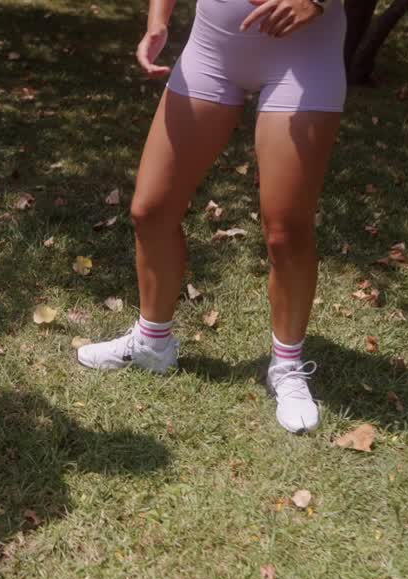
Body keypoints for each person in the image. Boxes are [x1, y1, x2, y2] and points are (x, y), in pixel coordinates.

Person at [77, 0, 345, 434]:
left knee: (285, 230)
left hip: (304, 54)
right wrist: (158, 21)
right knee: (151, 210)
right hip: (213, 48)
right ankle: (152, 343)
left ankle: (288, 366)